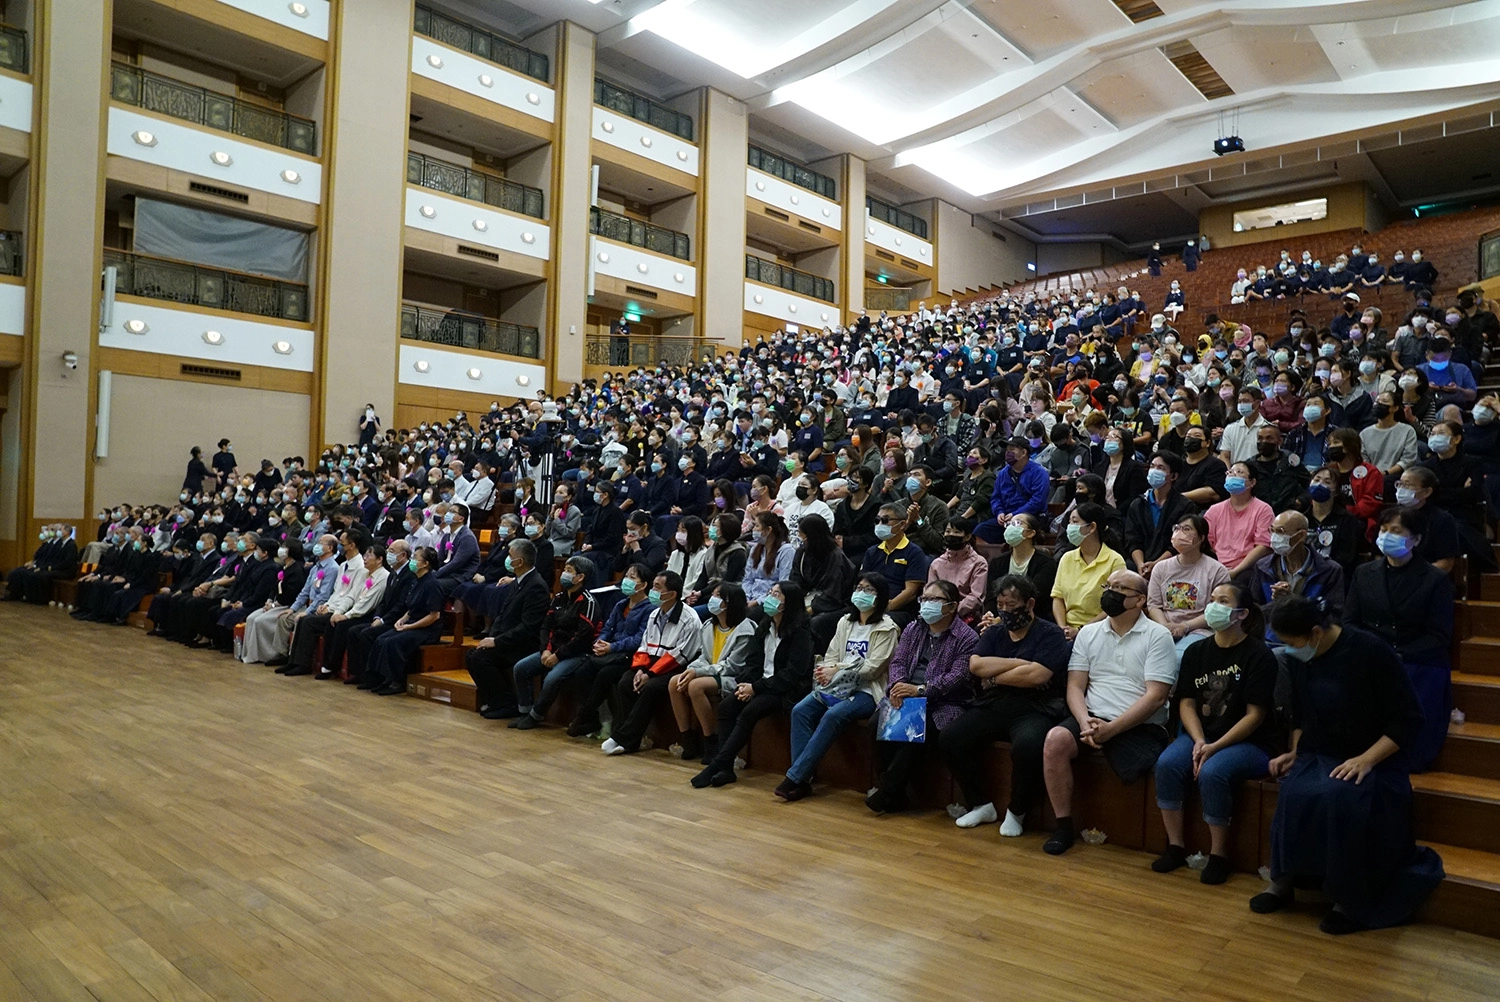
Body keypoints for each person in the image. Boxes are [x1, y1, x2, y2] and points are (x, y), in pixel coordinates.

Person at [1253, 595, 1444, 934]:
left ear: (1315, 633)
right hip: (1320, 751)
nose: (1288, 649)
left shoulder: (1371, 652)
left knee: (1341, 797)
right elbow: (1301, 714)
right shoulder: (1299, 658)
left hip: (1377, 756)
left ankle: (1349, 899)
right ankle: (1283, 880)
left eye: (1291, 642)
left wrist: (1366, 760)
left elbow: (1408, 719)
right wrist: (1295, 752)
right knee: (1294, 791)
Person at [1041, 569, 1177, 855]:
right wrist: (1084, 721)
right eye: (1108, 586)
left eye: (1119, 589)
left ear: (1140, 600)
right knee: (1055, 739)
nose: (1109, 593)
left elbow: (1156, 697)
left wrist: (1111, 730)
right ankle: (1063, 826)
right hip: (1090, 716)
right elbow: (1075, 687)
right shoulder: (1089, 633)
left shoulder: (1158, 636)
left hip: (1138, 723)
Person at [1151, 581, 1277, 884]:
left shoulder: (1259, 655)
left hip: (1249, 742)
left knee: (1213, 772)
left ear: (1241, 613)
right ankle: (1175, 845)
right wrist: (1198, 741)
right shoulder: (1196, 651)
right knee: (1167, 764)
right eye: (1212, 599)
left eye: (1223, 601)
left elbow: (1255, 715)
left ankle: (1219, 855)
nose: (1213, 606)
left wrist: (1214, 746)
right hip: (1201, 736)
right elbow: (1186, 704)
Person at [944, 574, 1072, 837]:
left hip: (1037, 707)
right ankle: (981, 804)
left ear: (1030, 604)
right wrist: (1020, 663)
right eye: (1000, 605)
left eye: (1012, 606)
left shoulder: (1051, 634)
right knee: (950, 737)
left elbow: (1038, 676)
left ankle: (1017, 811)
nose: (1005, 611)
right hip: (996, 703)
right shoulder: (995, 632)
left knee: (1027, 746)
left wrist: (995, 674)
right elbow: (976, 665)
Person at [1343, 508, 1455, 771]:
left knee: (1410, 701)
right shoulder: (1364, 572)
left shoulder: (1435, 579)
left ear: (1415, 540)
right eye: (1383, 530)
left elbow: (1438, 636)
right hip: (1371, 655)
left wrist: (1396, 655)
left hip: (1418, 659)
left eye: (1395, 531)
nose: (1386, 536)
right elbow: (1350, 623)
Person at [776, 574, 901, 801]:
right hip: (837, 686)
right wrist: (825, 670)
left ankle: (795, 777)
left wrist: (838, 669)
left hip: (867, 690)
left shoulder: (888, 628)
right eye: (859, 587)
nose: (862, 592)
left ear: (880, 597)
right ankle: (803, 779)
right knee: (800, 710)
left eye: (869, 590)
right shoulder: (845, 622)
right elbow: (831, 655)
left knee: (833, 715)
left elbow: (873, 668)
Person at [865, 580, 979, 813]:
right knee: (875, 724)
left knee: (915, 728)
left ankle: (888, 791)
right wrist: (897, 685)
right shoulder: (913, 628)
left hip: (944, 702)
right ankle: (894, 794)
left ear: (952, 606)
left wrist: (919, 691)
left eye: (934, 600)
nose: (927, 604)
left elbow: (957, 677)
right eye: (924, 599)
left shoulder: (967, 637)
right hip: (905, 695)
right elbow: (898, 662)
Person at [691, 581, 811, 787]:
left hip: (784, 689)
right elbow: (753, 661)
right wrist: (746, 684)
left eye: (777, 594)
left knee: (749, 711)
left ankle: (717, 764)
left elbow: (793, 673)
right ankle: (726, 769)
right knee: (728, 706)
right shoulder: (765, 625)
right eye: (770, 593)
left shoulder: (801, 632)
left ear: (789, 602)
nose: (771, 598)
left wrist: (755, 689)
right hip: (759, 684)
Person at [601, 570, 704, 755]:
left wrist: (650, 674)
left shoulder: (690, 619)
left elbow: (679, 655)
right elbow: (643, 646)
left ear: (672, 594)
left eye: (657, 587)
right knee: (626, 681)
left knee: (651, 687)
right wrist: (640, 669)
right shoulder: (654, 614)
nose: (652, 591)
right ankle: (627, 738)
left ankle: (623, 738)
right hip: (651, 663)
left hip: (677, 666)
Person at [670, 582, 760, 764]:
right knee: (674, 682)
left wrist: (698, 672)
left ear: (728, 603)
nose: (712, 599)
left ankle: (711, 740)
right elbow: (704, 656)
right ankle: (687, 738)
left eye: (717, 595)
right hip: (711, 672)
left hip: (734, 677)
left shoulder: (746, 629)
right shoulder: (710, 625)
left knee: (695, 686)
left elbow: (732, 666)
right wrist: (692, 669)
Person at [509, 555, 602, 730]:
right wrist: (545, 650)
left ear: (580, 577)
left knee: (552, 678)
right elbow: (546, 626)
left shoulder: (588, 602)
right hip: (552, 650)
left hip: (577, 654)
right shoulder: (558, 597)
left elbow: (582, 637)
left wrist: (557, 656)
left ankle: (536, 715)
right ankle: (524, 711)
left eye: (569, 571)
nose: (564, 574)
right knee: (520, 668)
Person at [566, 563, 654, 738]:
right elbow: (607, 628)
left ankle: (584, 715)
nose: (627, 580)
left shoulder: (649, 609)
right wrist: (601, 642)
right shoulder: (620, 604)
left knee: (605, 674)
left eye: (632, 577)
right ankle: (591, 718)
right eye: (626, 575)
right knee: (581, 672)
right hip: (610, 651)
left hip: (630, 655)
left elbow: (639, 639)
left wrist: (611, 647)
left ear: (643, 585)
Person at [466, 539, 551, 717]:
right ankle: (494, 700)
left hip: (524, 643)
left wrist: (497, 641)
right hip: (508, 638)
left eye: (510, 556)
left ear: (519, 562)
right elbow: (503, 614)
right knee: (472, 654)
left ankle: (506, 704)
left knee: (481, 659)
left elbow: (528, 627)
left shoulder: (536, 586)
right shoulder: (517, 582)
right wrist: (492, 635)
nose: (507, 558)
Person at [1244, 510, 1346, 635]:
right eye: (1272, 530)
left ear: (1301, 535)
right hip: (1271, 640)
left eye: (1280, 531)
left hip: (1309, 639)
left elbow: (1332, 617)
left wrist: (1292, 602)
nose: (1274, 537)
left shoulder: (1330, 570)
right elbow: (1252, 612)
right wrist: (1279, 604)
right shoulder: (1263, 566)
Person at [241, 534, 338, 665]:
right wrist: (292, 609)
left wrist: (306, 611)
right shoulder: (315, 567)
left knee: (294, 620)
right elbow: (304, 592)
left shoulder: (332, 568)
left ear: (330, 548)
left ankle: (293, 659)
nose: (317, 545)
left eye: (321, 543)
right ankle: (280, 653)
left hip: (317, 607)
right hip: (299, 604)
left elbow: (323, 596)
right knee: (264, 617)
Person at [362, 545, 446, 696]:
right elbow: (411, 608)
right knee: (382, 638)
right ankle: (382, 678)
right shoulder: (417, 581)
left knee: (393, 642)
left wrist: (410, 626)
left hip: (427, 629)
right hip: (412, 623)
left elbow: (434, 616)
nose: (412, 561)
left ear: (425, 563)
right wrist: (402, 620)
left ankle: (397, 681)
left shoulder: (433, 584)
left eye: (415, 558)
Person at [1146, 514, 1230, 659]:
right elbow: (1154, 605)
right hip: (1163, 627)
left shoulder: (1217, 570)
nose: (1180, 533)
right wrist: (1165, 627)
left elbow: (1217, 611)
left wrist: (1184, 626)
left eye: (1187, 529)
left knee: (1178, 658)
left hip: (1199, 630)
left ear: (1202, 538)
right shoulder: (1161, 567)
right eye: (1177, 528)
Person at [1050, 503, 1125, 641]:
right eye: (1069, 522)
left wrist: (1081, 630)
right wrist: (1063, 628)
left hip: (1101, 631)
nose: (1069, 527)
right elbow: (1057, 598)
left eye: (1075, 522)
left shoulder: (1115, 560)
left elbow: (1114, 607)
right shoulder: (1067, 558)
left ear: (1092, 527)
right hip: (1066, 632)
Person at [1124, 452, 1196, 578]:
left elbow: (1181, 542)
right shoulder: (1138, 504)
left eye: (1160, 468)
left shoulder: (1185, 506)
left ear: (1173, 476)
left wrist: (1157, 564)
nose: (1154, 471)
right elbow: (1132, 539)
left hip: (1172, 565)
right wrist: (1141, 564)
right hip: (1140, 565)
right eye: (1152, 466)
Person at [858, 502, 930, 629]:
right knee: (837, 620)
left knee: (878, 623)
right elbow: (862, 582)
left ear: (902, 524)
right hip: (870, 604)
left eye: (885, 520)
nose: (880, 525)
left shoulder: (914, 552)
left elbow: (911, 592)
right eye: (877, 520)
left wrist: (885, 608)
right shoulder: (872, 551)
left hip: (898, 610)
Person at [1203, 463, 1273, 580]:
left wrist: (1235, 571)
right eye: (1230, 472)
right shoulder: (1214, 510)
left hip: (1246, 568)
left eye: (1239, 472)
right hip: (1215, 567)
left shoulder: (1263, 510)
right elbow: (1206, 543)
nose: (1233, 475)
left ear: (1252, 482)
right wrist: (1216, 568)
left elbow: (1263, 546)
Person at [926, 517, 988, 623]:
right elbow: (929, 592)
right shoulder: (936, 563)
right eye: (948, 531)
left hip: (967, 616)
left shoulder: (979, 563)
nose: (951, 535)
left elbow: (976, 598)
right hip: (938, 613)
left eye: (956, 532)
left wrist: (952, 611)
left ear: (967, 536)